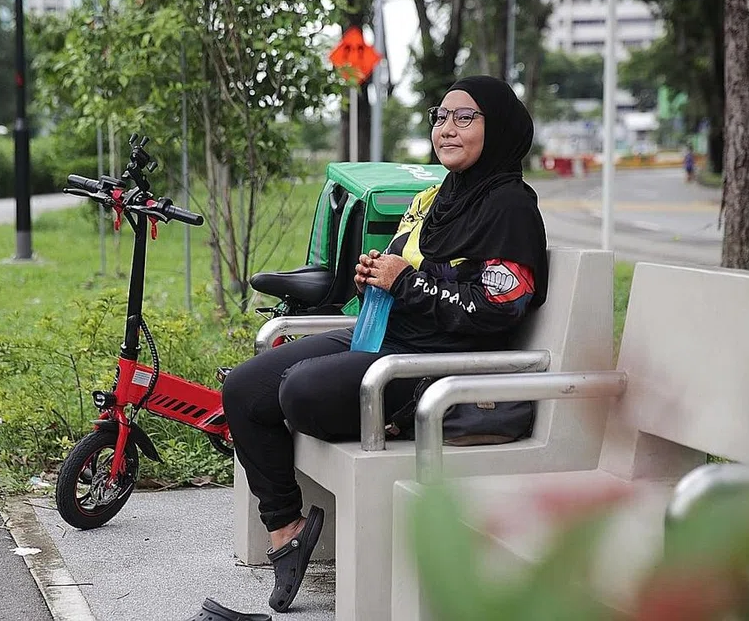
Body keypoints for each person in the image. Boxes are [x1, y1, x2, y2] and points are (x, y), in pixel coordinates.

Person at [221, 75, 548, 614]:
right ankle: (286, 530)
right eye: (440, 117)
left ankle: (388, 419)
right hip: (388, 336)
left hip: (439, 364)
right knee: (245, 386)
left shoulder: (510, 207)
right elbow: (411, 270)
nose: (447, 128)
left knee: (301, 391)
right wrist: (375, 276)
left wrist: (407, 282)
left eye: (464, 118)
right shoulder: (439, 198)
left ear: (501, 126)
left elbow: (498, 310)